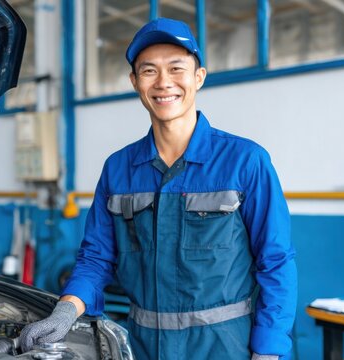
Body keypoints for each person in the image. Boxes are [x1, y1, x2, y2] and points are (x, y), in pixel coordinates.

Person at [19, 18, 297, 360]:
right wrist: (66, 310)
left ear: (199, 77)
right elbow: (96, 257)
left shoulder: (245, 161)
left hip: (224, 346)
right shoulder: (118, 169)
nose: (164, 82)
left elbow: (276, 260)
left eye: (176, 68)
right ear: (135, 82)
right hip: (141, 346)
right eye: (149, 71)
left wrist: (269, 350)